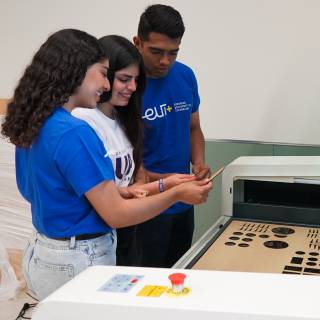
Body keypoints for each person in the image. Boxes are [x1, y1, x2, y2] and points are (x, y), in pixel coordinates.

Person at [1, 29, 212, 300]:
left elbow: (49, 191)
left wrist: (150, 186)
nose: (106, 84)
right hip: (77, 260)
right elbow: (116, 214)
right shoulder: (75, 132)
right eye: (103, 72)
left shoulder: (37, 123)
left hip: (43, 252)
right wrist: (175, 194)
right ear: (76, 70)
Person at [72, 35, 196, 266]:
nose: (132, 87)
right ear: (105, 77)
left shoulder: (121, 118)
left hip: (124, 234)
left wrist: (167, 183)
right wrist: (173, 190)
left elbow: (129, 185)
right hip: (96, 239)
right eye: (124, 79)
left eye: (135, 80)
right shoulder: (83, 121)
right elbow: (112, 201)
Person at [133, 4, 210, 268]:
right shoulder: (126, 87)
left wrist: (198, 163)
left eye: (173, 53)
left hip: (183, 203)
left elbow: (194, 128)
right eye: (156, 52)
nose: (165, 60)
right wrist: (168, 183)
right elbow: (127, 166)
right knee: (146, 283)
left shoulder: (185, 76)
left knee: (178, 274)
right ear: (138, 43)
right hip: (145, 207)